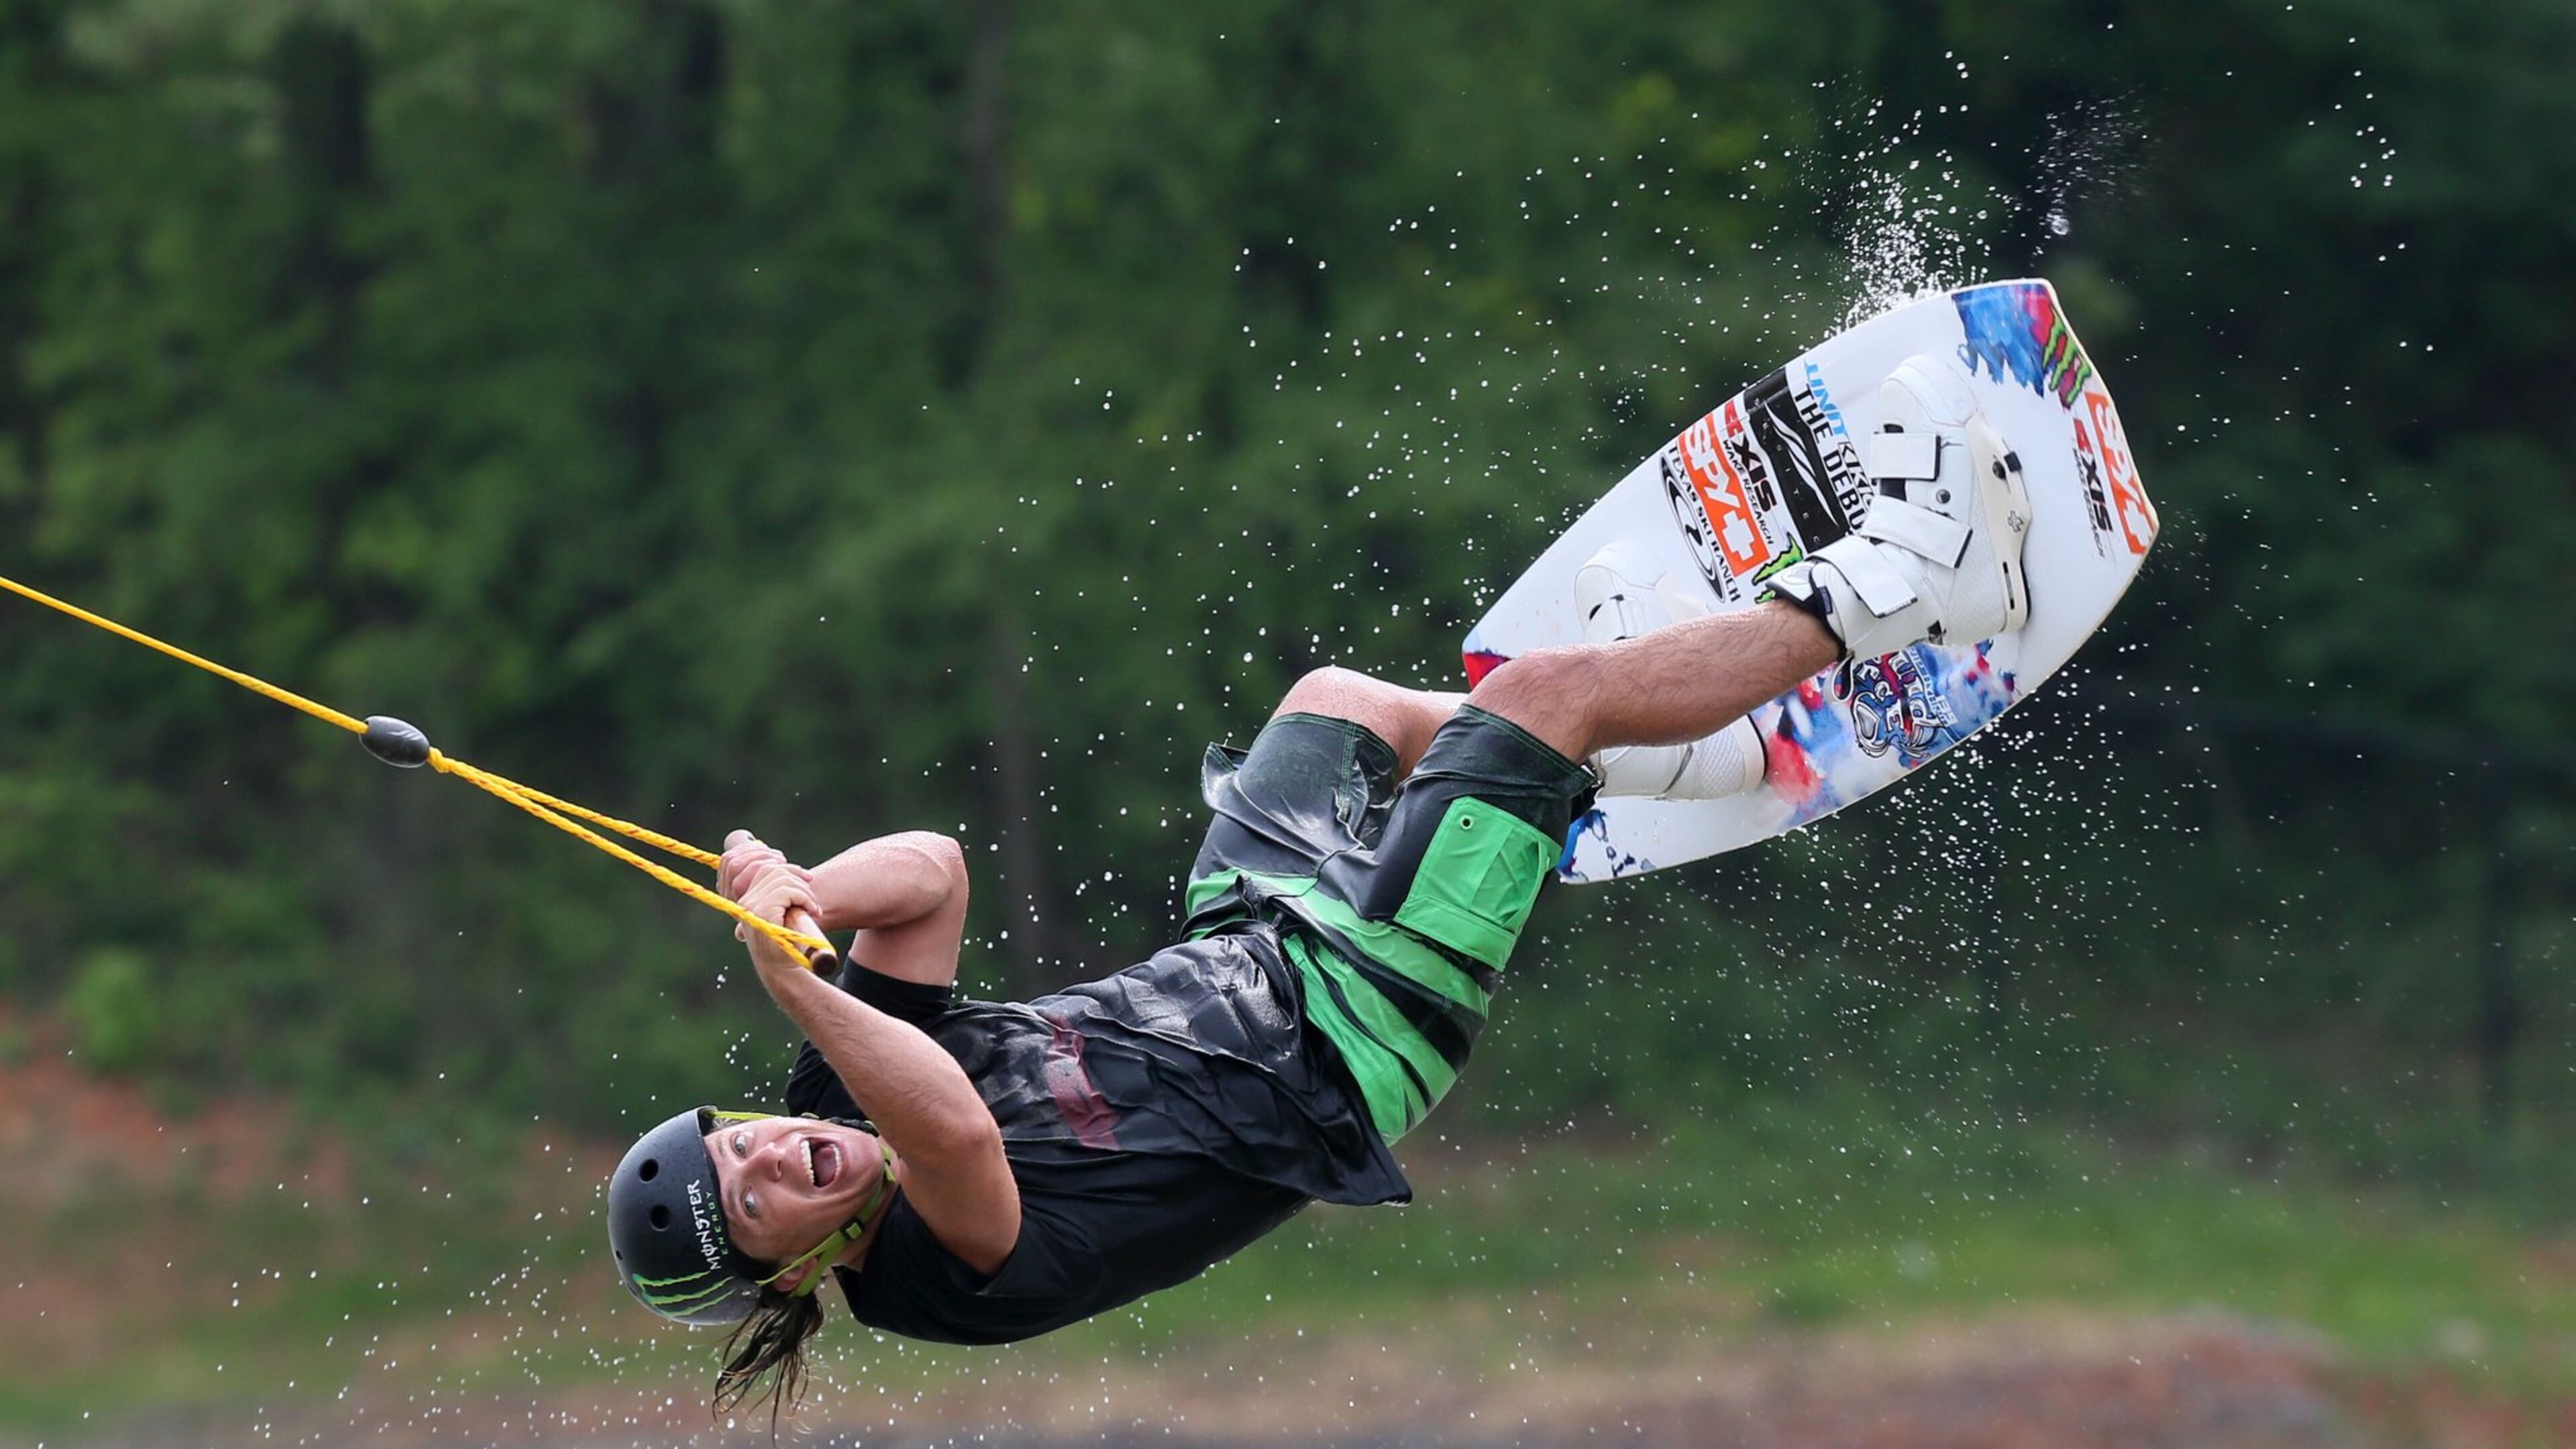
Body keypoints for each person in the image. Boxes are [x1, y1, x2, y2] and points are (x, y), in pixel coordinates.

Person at [604, 356, 2031, 1413]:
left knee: (1342, 701)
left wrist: (810, 888)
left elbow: (932, 877)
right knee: (1536, 695)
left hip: (1252, 943)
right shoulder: (920, 1284)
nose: (777, 1153)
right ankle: (1905, 579)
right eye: (760, 1196)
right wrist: (801, 976)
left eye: (738, 1138)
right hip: (1349, 1041)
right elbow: (965, 1141)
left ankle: (1672, 754)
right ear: (790, 1276)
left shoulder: (828, 1090)